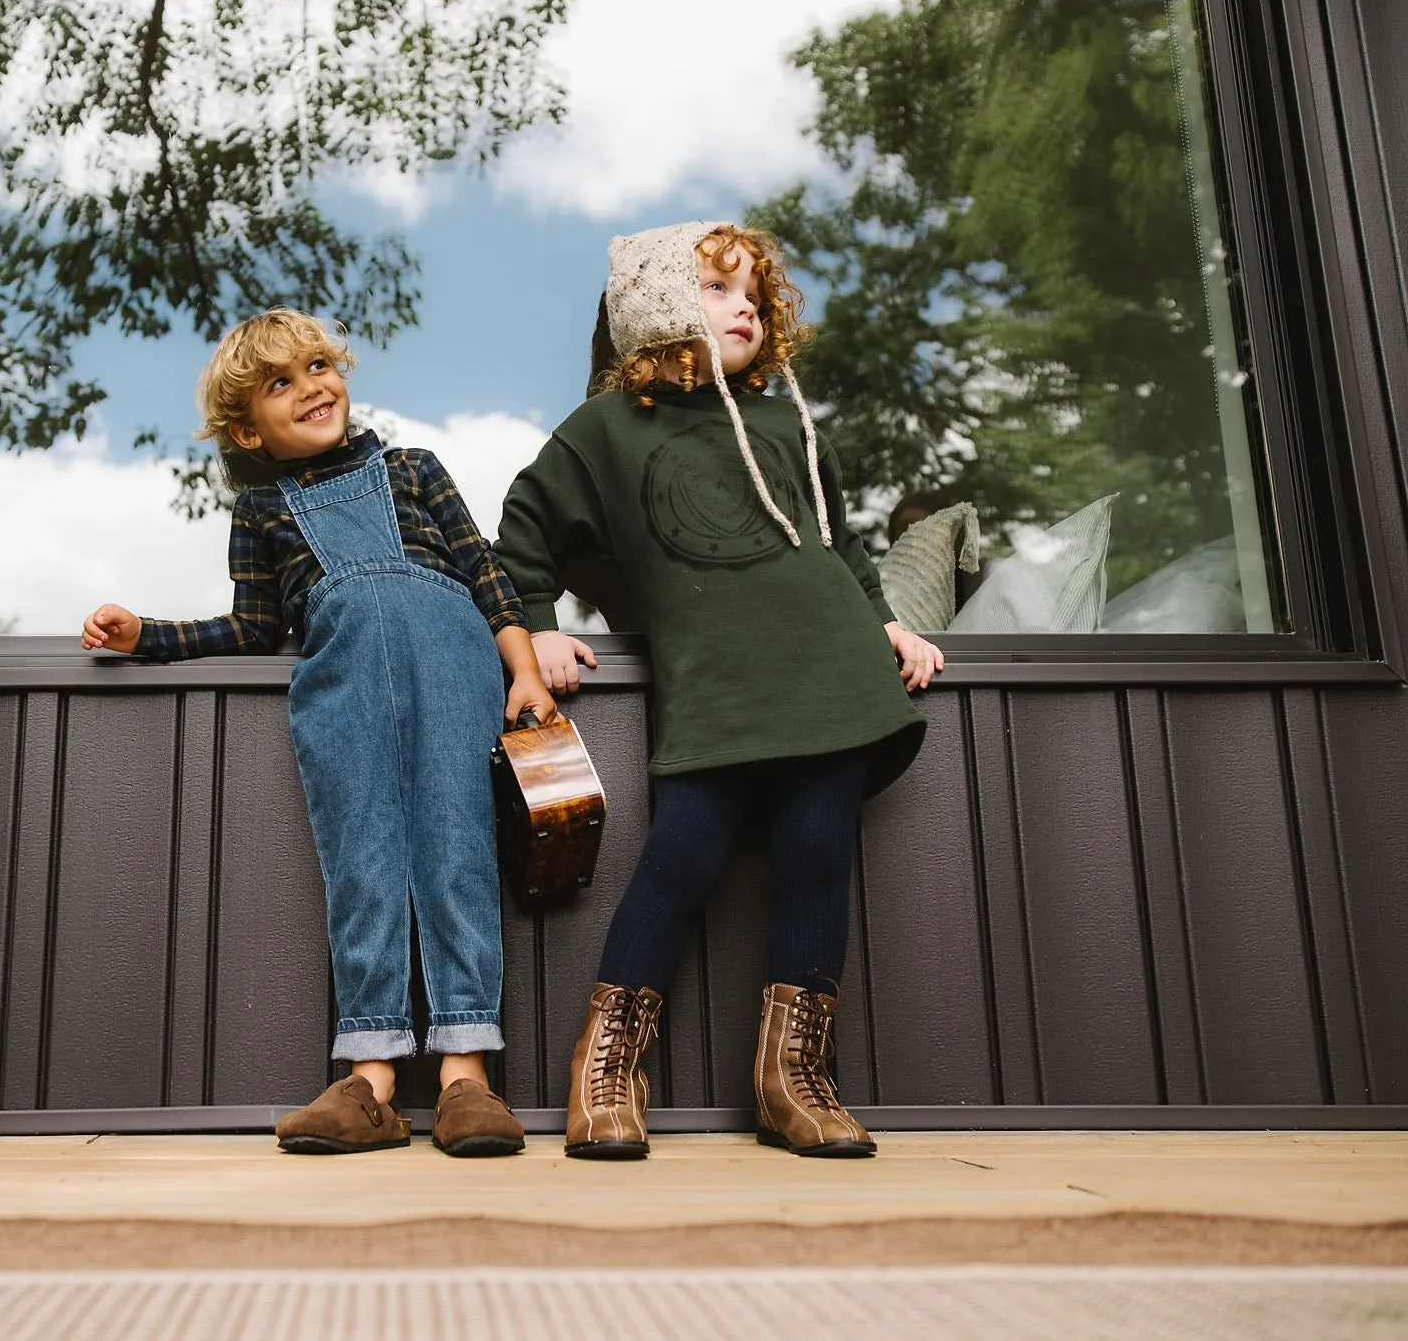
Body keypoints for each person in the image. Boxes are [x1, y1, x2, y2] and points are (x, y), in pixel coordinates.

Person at [495, 223, 943, 1160]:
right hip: (719, 688)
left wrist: (885, 623)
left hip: (831, 672)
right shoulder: (606, 430)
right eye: (715, 287)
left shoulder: (783, 419)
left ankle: (795, 1082)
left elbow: (840, 545)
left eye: (753, 293)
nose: (746, 305)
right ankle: (607, 1070)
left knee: (819, 856)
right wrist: (538, 627)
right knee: (683, 856)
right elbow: (521, 535)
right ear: (655, 304)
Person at [82, 309, 554, 1157]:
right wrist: (146, 635)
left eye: (318, 367)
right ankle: (370, 1082)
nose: (311, 388)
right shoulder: (261, 510)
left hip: (454, 671)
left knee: (456, 853)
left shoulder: (413, 467)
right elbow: (253, 629)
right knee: (364, 863)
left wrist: (522, 669)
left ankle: (466, 1077)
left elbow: (485, 569)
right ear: (245, 429)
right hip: (341, 691)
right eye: (279, 383)